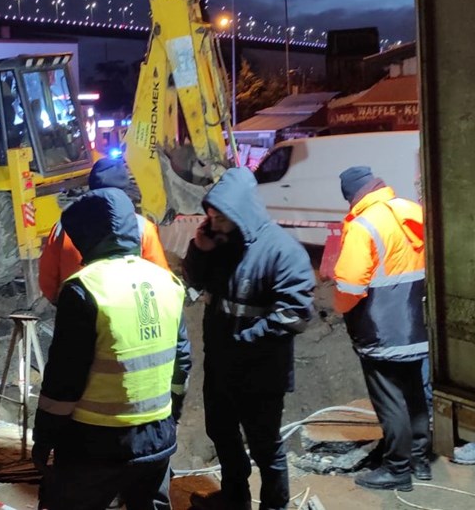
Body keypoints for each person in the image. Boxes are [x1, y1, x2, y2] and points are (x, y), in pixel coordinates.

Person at [33, 188, 191, 510]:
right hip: (157, 438)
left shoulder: (83, 289)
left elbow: (64, 381)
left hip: (95, 442)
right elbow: (181, 363)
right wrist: (172, 413)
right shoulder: (167, 283)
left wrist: (45, 438)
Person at [183, 167, 315, 510]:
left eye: (220, 219)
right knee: (224, 437)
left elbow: (295, 315)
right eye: (210, 218)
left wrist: (244, 341)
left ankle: (274, 505)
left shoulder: (282, 252)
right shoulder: (222, 244)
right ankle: (235, 498)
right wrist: (200, 248)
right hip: (221, 368)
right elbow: (195, 281)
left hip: (261, 374)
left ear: (241, 212)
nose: (214, 225)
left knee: (265, 446)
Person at [332, 166, 429, 492]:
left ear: (352, 195)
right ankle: (420, 461)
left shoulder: (363, 225)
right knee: (415, 393)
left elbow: (349, 287)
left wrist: (341, 310)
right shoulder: (411, 211)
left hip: (381, 330)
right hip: (417, 324)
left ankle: (397, 470)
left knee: (390, 401)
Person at [38, 158, 170, 304]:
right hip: (127, 314)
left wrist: (64, 305)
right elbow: (162, 279)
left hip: (78, 311)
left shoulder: (64, 225)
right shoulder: (142, 226)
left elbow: (47, 280)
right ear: (125, 191)